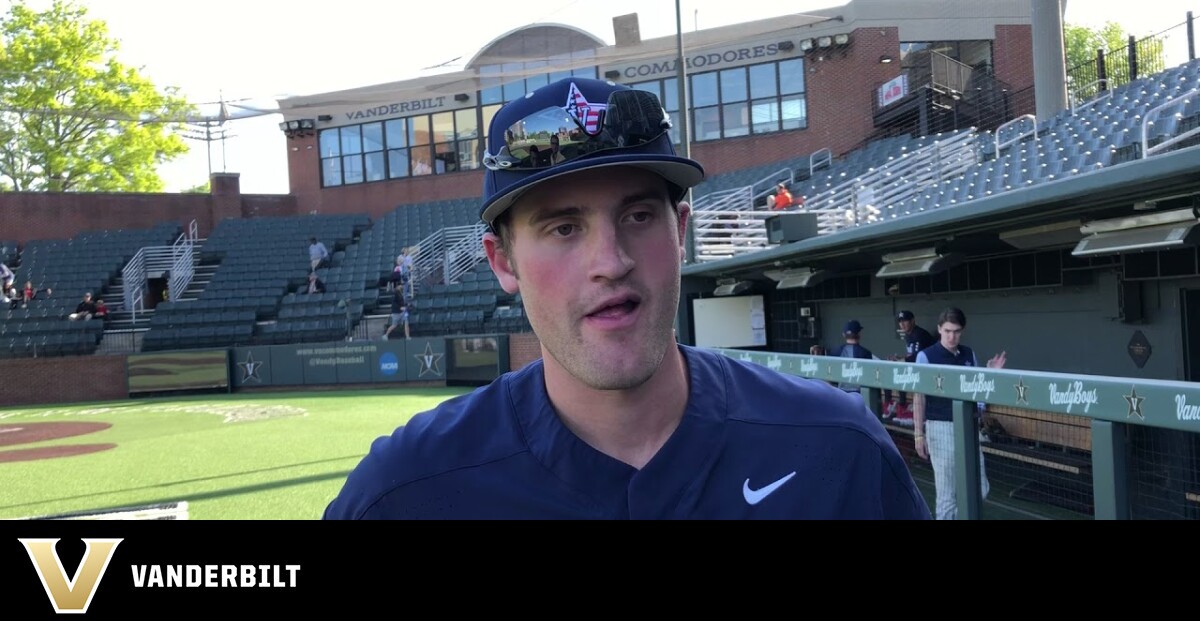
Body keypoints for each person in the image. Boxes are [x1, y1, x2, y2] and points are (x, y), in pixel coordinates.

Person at [324, 77, 930, 520]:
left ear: (681, 231)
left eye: (638, 215)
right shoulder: (406, 490)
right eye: (563, 228)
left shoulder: (837, 446)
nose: (611, 261)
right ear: (503, 262)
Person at [913, 306, 1007, 520]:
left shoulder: (968, 354)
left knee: (980, 488)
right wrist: (919, 433)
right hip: (940, 426)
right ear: (939, 330)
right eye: (947, 331)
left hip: (968, 426)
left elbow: (977, 393)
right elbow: (919, 396)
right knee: (947, 494)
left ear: (962, 331)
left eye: (956, 331)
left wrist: (990, 375)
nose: (951, 336)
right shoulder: (926, 356)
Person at [885, 310, 937, 420]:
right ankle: (893, 405)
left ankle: (903, 407)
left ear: (913, 321)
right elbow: (911, 355)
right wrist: (899, 358)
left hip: (930, 371)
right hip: (920, 370)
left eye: (905, 321)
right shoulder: (909, 335)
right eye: (900, 321)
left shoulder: (919, 334)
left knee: (900, 372)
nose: (902, 324)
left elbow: (917, 357)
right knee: (891, 368)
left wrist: (901, 360)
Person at [834, 320, 879, 394]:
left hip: (840, 393)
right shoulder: (865, 353)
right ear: (859, 334)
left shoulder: (835, 351)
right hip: (859, 393)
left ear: (844, 335)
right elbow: (870, 377)